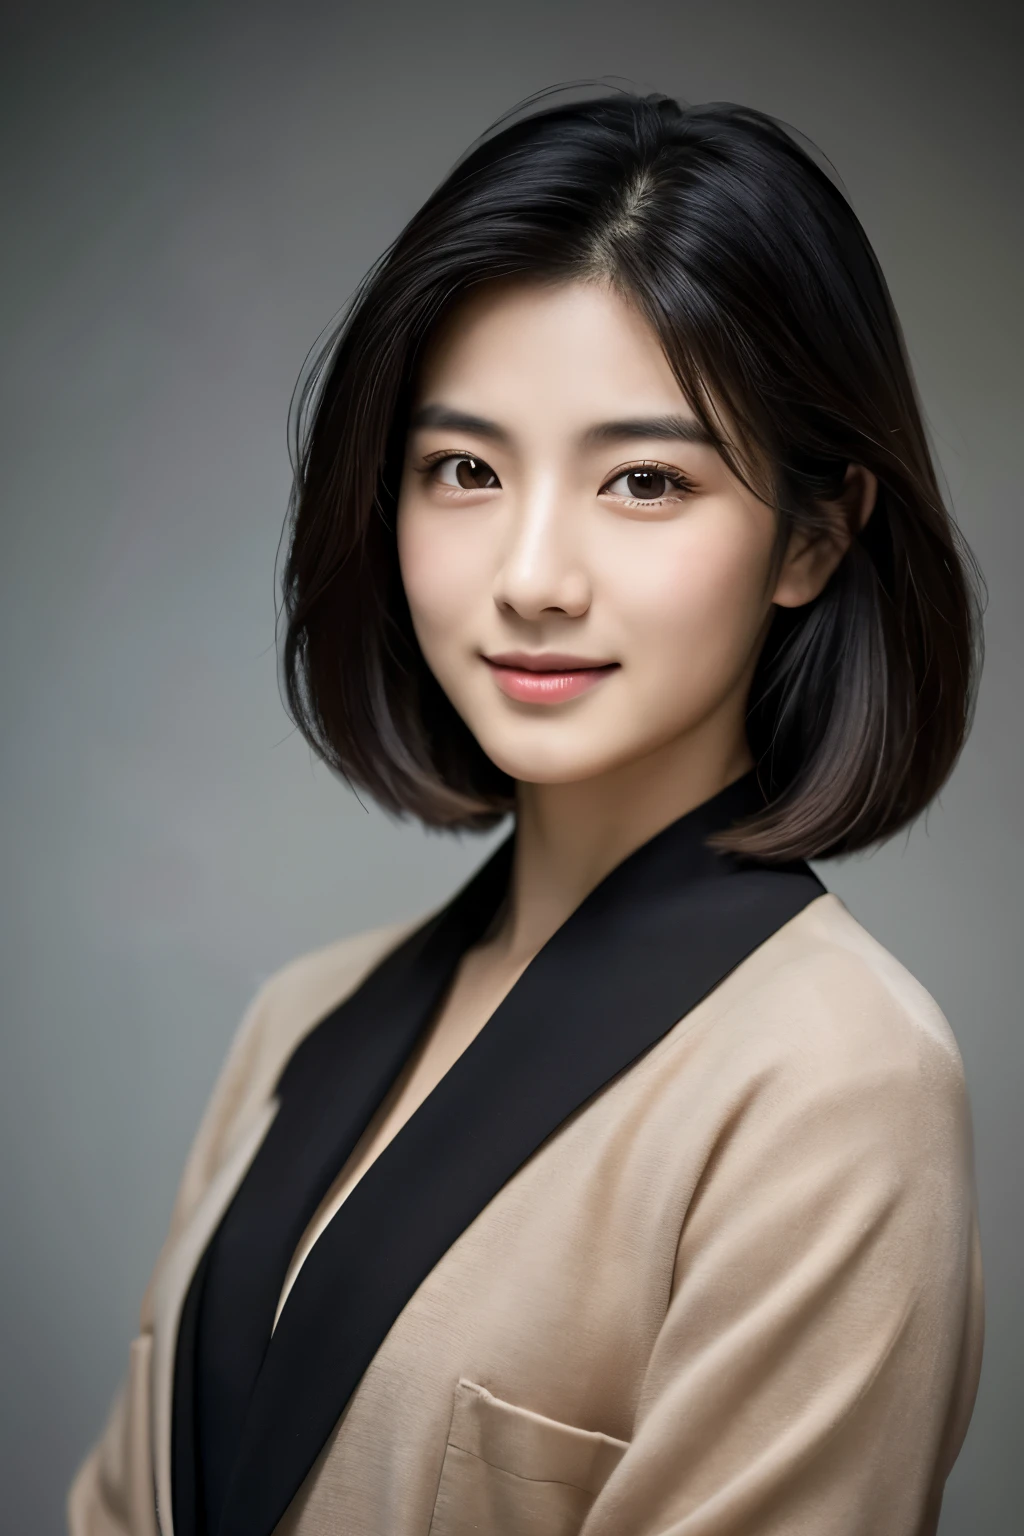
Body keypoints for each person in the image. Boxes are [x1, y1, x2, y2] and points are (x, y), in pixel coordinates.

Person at [69, 89, 986, 1536]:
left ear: (814, 534)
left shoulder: (835, 1080)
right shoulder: (302, 1020)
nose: (534, 574)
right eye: (467, 471)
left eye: (643, 480)